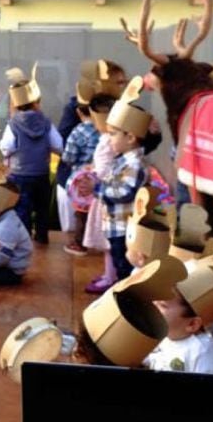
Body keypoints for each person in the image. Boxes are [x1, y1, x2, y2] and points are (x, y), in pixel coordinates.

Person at [87, 83, 152, 292]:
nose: (110, 139)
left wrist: (97, 189)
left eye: (114, 134)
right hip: (116, 226)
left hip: (125, 229)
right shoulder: (122, 160)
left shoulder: (134, 164)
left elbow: (124, 193)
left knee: (125, 268)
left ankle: (125, 299)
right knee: (118, 264)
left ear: (131, 137)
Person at [0, 69, 63, 243]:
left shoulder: (13, 124)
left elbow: (6, 147)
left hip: (19, 174)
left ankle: (25, 239)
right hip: (41, 173)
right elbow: (58, 145)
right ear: (37, 103)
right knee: (42, 208)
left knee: (22, 209)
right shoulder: (46, 122)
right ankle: (42, 236)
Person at [61, 100, 101, 256]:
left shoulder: (78, 131)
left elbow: (68, 157)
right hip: (99, 177)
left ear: (79, 112)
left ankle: (80, 243)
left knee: (81, 212)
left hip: (81, 178)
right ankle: (98, 241)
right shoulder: (104, 129)